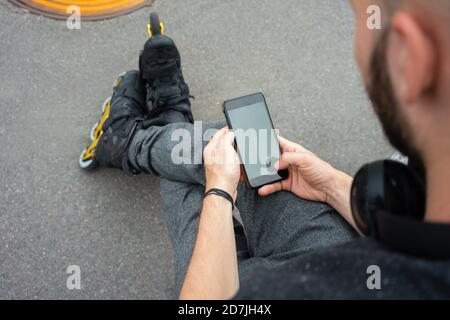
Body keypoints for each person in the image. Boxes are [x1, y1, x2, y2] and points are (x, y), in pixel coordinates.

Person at [90, 0, 450, 299]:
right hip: (348, 247)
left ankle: (152, 129)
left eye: (363, 24)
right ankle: (141, 136)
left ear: (411, 58)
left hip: (297, 281)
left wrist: (218, 192)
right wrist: (330, 185)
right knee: (232, 145)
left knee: (196, 170)